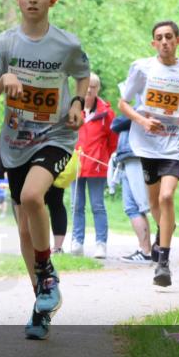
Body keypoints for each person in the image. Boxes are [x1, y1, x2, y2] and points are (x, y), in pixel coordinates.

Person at [0, 0, 90, 340]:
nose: (33, 0)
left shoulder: (66, 44)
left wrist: (77, 104)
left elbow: (82, 75)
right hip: (15, 143)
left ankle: (47, 273)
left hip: (56, 136)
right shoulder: (3, 44)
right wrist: (4, 78)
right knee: (25, 230)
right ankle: (42, 306)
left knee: (32, 196)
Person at [118, 20, 179, 288]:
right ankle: (165, 230)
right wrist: (142, 121)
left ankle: (163, 263)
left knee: (167, 197)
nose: (164, 41)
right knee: (154, 204)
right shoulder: (142, 68)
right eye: (159, 38)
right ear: (153, 43)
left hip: (173, 145)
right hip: (146, 144)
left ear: (178, 40)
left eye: (169, 37)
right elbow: (123, 103)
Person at [70, 73, 117, 258]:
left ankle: (101, 244)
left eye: (93, 87)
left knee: (97, 205)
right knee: (76, 205)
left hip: (97, 166)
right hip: (76, 165)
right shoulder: (73, 109)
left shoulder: (106, 113)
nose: (89, 90)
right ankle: (77, 241)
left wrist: (107, 158)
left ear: (97, 89)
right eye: (86, 86)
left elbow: (113, 140)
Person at [109, 111, 154, 263]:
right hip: (131, 157)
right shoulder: (139, 108)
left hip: (135, 156)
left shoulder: (141, 107)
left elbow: (116, 124)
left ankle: (146, 251)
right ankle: (146, 249)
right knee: (134, 207)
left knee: (136, 206)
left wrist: (131, 114)